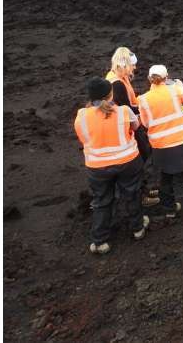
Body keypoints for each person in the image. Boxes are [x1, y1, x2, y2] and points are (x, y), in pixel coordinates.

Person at [74, 77, 149, 255]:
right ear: (110, 94)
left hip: (98, 167)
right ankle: (137, 228)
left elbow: (84, 139)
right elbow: (136, 127)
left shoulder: (81, 116)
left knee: (101, 201)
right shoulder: (123, 111)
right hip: (128, 162)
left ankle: (100, 240)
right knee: (132, 193)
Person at [138, 65, 183, 217]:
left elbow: (146, 123)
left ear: (150, 79)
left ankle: (170, 210)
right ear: (166, 77)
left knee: (165, 178)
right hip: (181, 140)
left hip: (160, 146)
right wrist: (181, 87)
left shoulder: (143, 99)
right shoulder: (174, 89)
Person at [106, 47, 159, 207]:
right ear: (125, 64)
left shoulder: (118, 78)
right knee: (138, 160)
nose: (135, 68)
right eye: (133, 65)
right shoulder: (117, 84)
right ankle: (140, 196)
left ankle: (143, 190)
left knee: (142, 156)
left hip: (128, 126)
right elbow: (126, 108)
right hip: (127, 129)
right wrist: (149, 106)